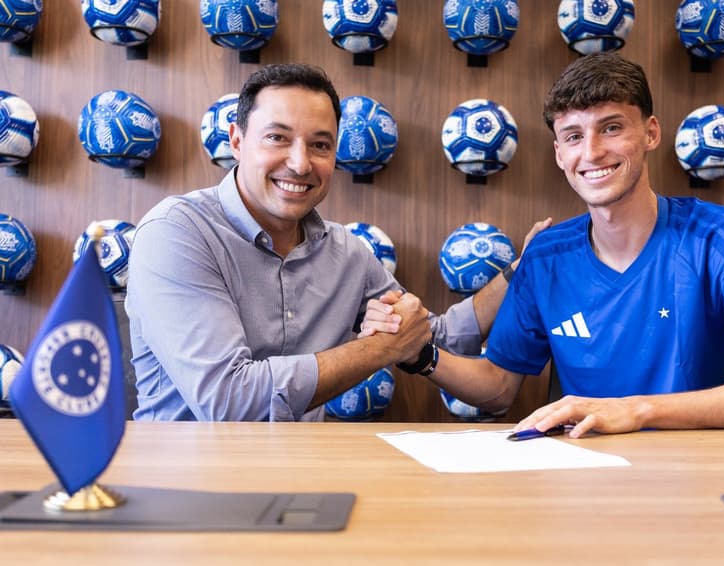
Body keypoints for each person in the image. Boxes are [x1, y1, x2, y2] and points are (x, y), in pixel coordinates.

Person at [362, 52, 724, 438]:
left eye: (612, 128)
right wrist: (418, 353)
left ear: (651, 133)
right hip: (581, 479)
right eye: (574, 136)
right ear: (559, 153)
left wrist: (637, 410)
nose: (592, 152)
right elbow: (498, 386)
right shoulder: (545, 255)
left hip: (694, 475)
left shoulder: (721, 236)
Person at [125, 63, 550, 421]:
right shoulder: (176, 232)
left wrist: (521, 270)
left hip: (302, 473)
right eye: (277, 137)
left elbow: (432, 336)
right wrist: (379, 349)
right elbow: (230, 401)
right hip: (185, 483)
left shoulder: (345, 252)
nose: (300, 163)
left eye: (320, 145)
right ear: (237, 141)